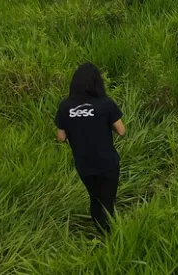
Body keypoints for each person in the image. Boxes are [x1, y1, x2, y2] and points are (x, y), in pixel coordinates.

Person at [55, 63, 125, 234]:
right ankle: (108, 236)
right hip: (106, 161)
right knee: (107, 200)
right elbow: (121, 131)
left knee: (95, 198)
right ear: (97, 83)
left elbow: (61, 137)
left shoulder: (66, 107)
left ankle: (100, 231)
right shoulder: (106, 104)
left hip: (84, 163)